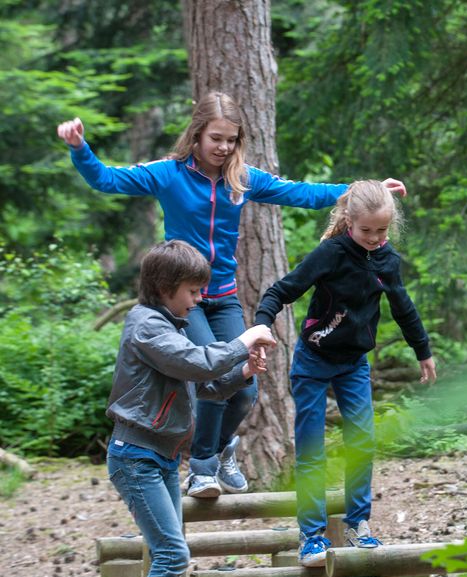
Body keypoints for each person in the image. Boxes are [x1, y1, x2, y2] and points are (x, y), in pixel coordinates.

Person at [56, 92, 407, 498]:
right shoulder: (167, 173)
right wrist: (80, 148)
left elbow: (300, 193)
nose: (223, 148)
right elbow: (107, 179)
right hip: (185, 300)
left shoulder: (242, 179)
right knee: (214, 373)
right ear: (197, 135)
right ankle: (202, 469)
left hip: (223, 296)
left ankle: (223, 449)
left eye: (231, 140)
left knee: (246, 387)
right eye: (216, 138)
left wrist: (364, 191)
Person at [254, 179, 437, 567]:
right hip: (313, 359)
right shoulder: (331, 254)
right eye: (366, 230)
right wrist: (261, 325)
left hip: (354, 363)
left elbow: (403, 308)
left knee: (362, 441)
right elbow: (281, 291)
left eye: (382, 231)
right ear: (348, 221)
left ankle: (359, 523)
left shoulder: (387, 260)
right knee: (311, 448)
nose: (374, 238)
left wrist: (422, 351)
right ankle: (312, 537)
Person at [105, 240, 276, 577]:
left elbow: (208, 384)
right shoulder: (146, 326)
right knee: (171, 553)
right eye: (193, 292)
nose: (198, 301)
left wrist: (244, 373)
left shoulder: (167, 326)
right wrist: (243, 341)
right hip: (135, 456)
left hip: (160, 457)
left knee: (171, 554)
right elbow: (195, 363)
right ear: (166, 288)